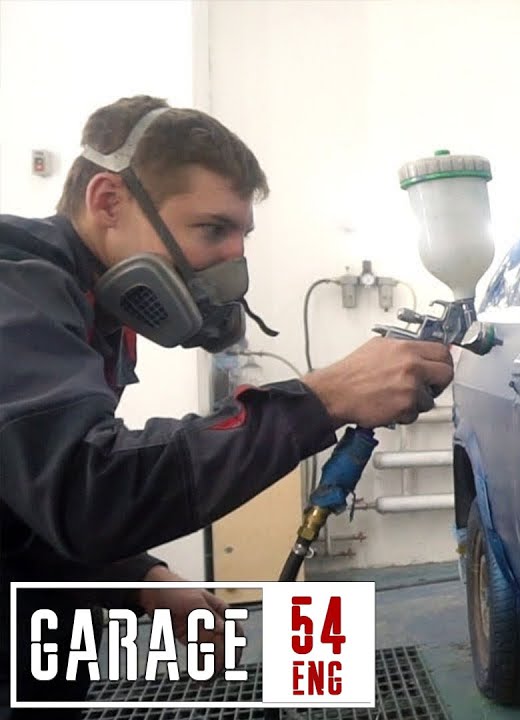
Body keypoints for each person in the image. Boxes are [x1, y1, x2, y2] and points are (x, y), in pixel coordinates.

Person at [0, 95, 454, 716]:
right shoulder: (14, 289)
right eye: (212, 229)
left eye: (242, 235)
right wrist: (322, 398)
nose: (234, 258)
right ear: (108, 201)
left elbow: (26, 498)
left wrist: (139, 579)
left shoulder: (90, 307)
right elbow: (87, 491)